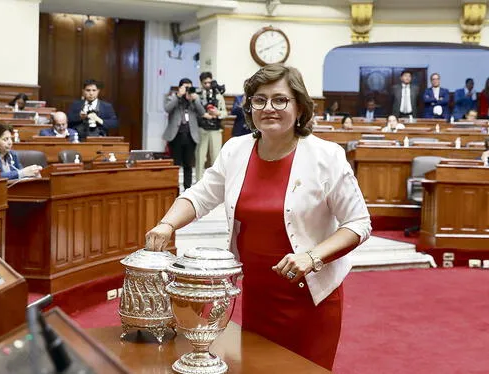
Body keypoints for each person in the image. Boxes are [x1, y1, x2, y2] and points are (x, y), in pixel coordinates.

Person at [145, 63, 371, 370]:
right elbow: (199, 195)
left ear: (300, 107)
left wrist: (312, 257)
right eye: (259, 100)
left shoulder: (326, 157)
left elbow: (358, 223)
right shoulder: (235, 150)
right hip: (257, 296)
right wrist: (167, 223)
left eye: (280, 100)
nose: (269, 108)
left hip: (311, 298)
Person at [163, 78, 208, 189]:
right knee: (175, 165)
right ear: (180, 87)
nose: (188, 90)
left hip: (190, 136)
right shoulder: (172, 97)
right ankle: (173, 189)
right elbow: (167, 109)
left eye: (189, 87)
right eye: (185, 87)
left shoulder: (194, 99)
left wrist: (195, 100)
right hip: (176, 136)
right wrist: (179, 95)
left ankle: (187, 189)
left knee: (188, 165)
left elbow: (202, 112)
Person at [197, 72, 227, 181]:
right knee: (200, 158)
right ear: (201, 83)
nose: (208, 85)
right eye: (205, 83)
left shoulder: (218, 95)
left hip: (215, 130)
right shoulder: (198, 95)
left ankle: (215, 183)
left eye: (209, 82)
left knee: (216, 158)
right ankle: (198, 183)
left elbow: (225, 113)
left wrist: (217, 113)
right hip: (202, 129)